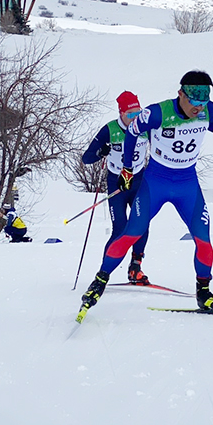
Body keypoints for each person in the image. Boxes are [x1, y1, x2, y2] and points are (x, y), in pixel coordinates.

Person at [80, 70, 213, 314]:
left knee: (204, 241)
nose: (198, 108)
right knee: (130, 233)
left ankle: (204, 293)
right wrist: (127, 168)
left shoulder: (208, 109)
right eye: (194, 102)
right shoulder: (157, 113)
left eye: (203, 102)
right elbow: (132, 132)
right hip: (155, 183)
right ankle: (100, 281)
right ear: (180, 94)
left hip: (187, 184)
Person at [82, 91, 151, 284]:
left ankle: (135, 268)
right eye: (130, 115)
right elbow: (86, 159)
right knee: (120, 228)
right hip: (117, 183)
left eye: (138, 113)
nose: (135, 118)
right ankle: (103, 273)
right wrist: (100, 151)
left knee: (141, 224)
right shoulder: (110, 130)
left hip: (138, 180)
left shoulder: (145, 127)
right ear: (121, 113)